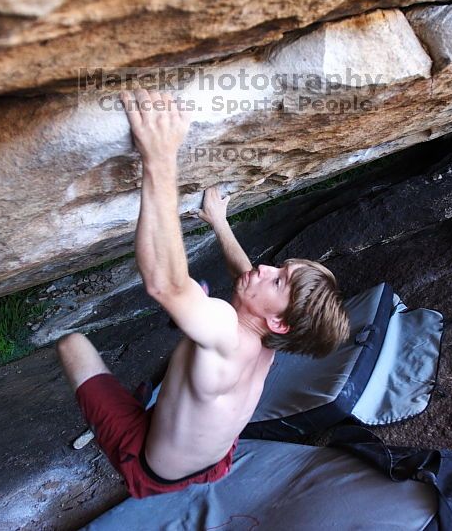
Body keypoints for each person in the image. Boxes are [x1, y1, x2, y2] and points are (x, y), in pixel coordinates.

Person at [56, 88, 350, 498]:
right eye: (281, 268)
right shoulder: (273, 338)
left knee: (73, 344)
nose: (265, 269)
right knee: (199, 312)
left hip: (149, 464)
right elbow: (247, 275)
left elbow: (164, 284)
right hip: (214, 459)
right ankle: (165, 399)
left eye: (278, 279)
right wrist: (219, 222)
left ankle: (139, 409)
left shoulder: (229, 333)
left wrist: (159, 156)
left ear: (279, 322)